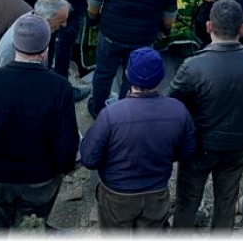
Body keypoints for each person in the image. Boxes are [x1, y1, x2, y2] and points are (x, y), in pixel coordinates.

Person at [0, 14, 80, 230]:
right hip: (40, 179)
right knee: (30, 230)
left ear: (15, 45)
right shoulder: (59, 87)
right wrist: (60, 169)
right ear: (45, 49)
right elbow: (67, 142)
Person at [170, 0, 243, 231]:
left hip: (199, 146)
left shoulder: (193, 66)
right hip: (238, 144)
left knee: (187, 201)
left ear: (208, 27)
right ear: (242, 29)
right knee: (226, 202)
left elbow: (172, 103)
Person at [80, 48, 194, 230]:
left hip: (116, 195)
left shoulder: (110, 115)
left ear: (128, 74)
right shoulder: (179, 111)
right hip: (156, 193)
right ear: (161, 77)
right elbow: (187, 152)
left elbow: (89, 159)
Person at [0, 0, 70, 70]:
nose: (64, 25)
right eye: (61, 21)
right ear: (47, 20)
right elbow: (5, 76)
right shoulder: (17, 42)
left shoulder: (34, 24)